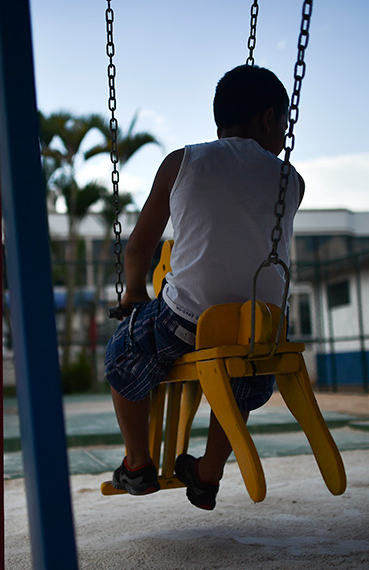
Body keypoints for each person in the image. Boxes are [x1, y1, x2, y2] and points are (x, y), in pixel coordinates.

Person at [104, 64, 305, 510]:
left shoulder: (183, 160)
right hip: (261, 327)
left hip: (187, 318)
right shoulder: (293, 180)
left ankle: (137, 464)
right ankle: (207, 472)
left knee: (123, 351)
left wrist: (135, 293)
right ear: (269, 119)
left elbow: (138, 248)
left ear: (221, 121)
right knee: (241, 373)